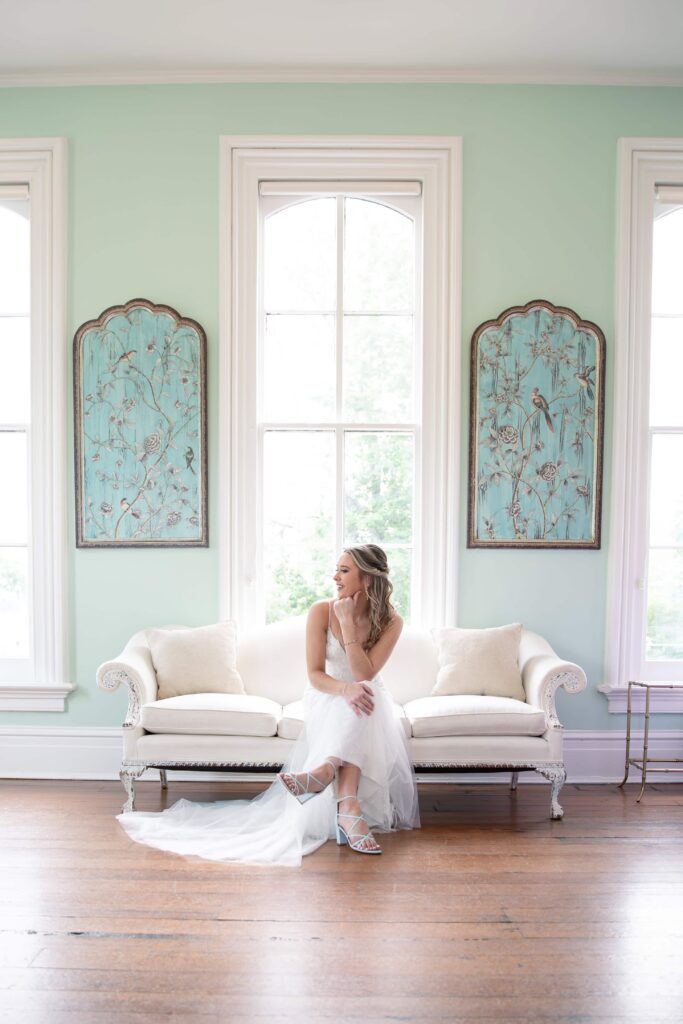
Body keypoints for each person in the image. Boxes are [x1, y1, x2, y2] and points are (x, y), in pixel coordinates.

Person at [117, 544, 420, 866]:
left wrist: (347, 627)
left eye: (344, 570)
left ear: (368, 579)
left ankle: (325, 775)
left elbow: (365, 673)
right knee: (356, 700)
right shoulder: (321, 610)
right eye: (337, 569)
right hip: (327, 693)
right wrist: (344, 688)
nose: (335, 576)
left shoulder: (391, 621)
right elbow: (316, 676)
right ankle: (347, 807)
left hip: (365, 696)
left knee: (363, 696)